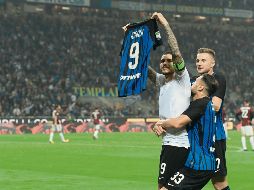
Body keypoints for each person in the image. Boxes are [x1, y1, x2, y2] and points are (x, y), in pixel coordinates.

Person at [148, 12, 191, 189]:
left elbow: (176, 51)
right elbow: (143, 68)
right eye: (162, 61)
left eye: (168, 61)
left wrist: (165, 24)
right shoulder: (162, 81)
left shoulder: (182, 78)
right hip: (169, 143)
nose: (164, 63)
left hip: (178, 144)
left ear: (176, 64)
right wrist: (131, 41)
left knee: (162, 187)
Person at [154, 74, 218, 190]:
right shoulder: (208, 104)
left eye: (194, 83)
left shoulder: (201, 103)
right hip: (204, 162)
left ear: (200, 88)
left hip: (198, 165)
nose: (191, 85)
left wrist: (161, 123)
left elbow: (177, 123)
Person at [195, 48, 230, 190]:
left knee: (219, 182)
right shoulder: (195, 80)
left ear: (212, 63)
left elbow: (215, 106)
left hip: (215, 137)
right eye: (197, 60)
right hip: (197, 138)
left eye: (203, 60)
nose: (199, 63)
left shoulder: (218, 78)